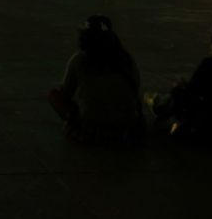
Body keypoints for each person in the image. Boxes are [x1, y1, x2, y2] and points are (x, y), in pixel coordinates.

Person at [48, 15, 145, 145]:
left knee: (54, 95)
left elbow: (65, 94)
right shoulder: (126, 59)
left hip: (91, 133)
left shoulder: (79, 60)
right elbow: (135, 87)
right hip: (127, 132)